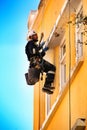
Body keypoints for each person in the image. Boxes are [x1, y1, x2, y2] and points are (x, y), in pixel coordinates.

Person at [25, 30, 56, 94]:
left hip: (37, 62)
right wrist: (39, 47)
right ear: (30, 37)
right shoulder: (30, 43)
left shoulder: (33, 45)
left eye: (36, 35)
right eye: (34, 35)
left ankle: (46, 86)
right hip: (36, 63)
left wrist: (43, 51)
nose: (36, 36)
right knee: (52, 68)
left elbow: (38, 55)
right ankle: (47, 85)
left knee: (51, 69)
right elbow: (33, 52)